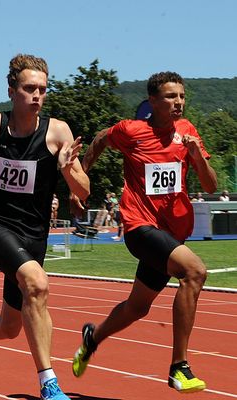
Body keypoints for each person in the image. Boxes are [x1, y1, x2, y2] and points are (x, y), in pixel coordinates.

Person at [0, 54, 89, 400]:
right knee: (37, 285)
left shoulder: (58, 132)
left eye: (42, 89)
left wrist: (67, 170)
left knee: (10, 326)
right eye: (29, 88)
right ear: (11, 90)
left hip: (34, 234)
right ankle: (49, 382)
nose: (37, 96)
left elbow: (83, 190)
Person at [70, 71, 217, 394]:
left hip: (171, 234)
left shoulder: (187, 132)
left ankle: (92, 337)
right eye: (170, 96)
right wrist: (79, 183)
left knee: (137, 307)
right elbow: (100, 140)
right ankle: (179, 368)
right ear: (152, 101)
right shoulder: (131, 131)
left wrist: (196, 157)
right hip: (139, 226)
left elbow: (210, 185)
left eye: (181, 96)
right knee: (194, 272)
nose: (178, 102)